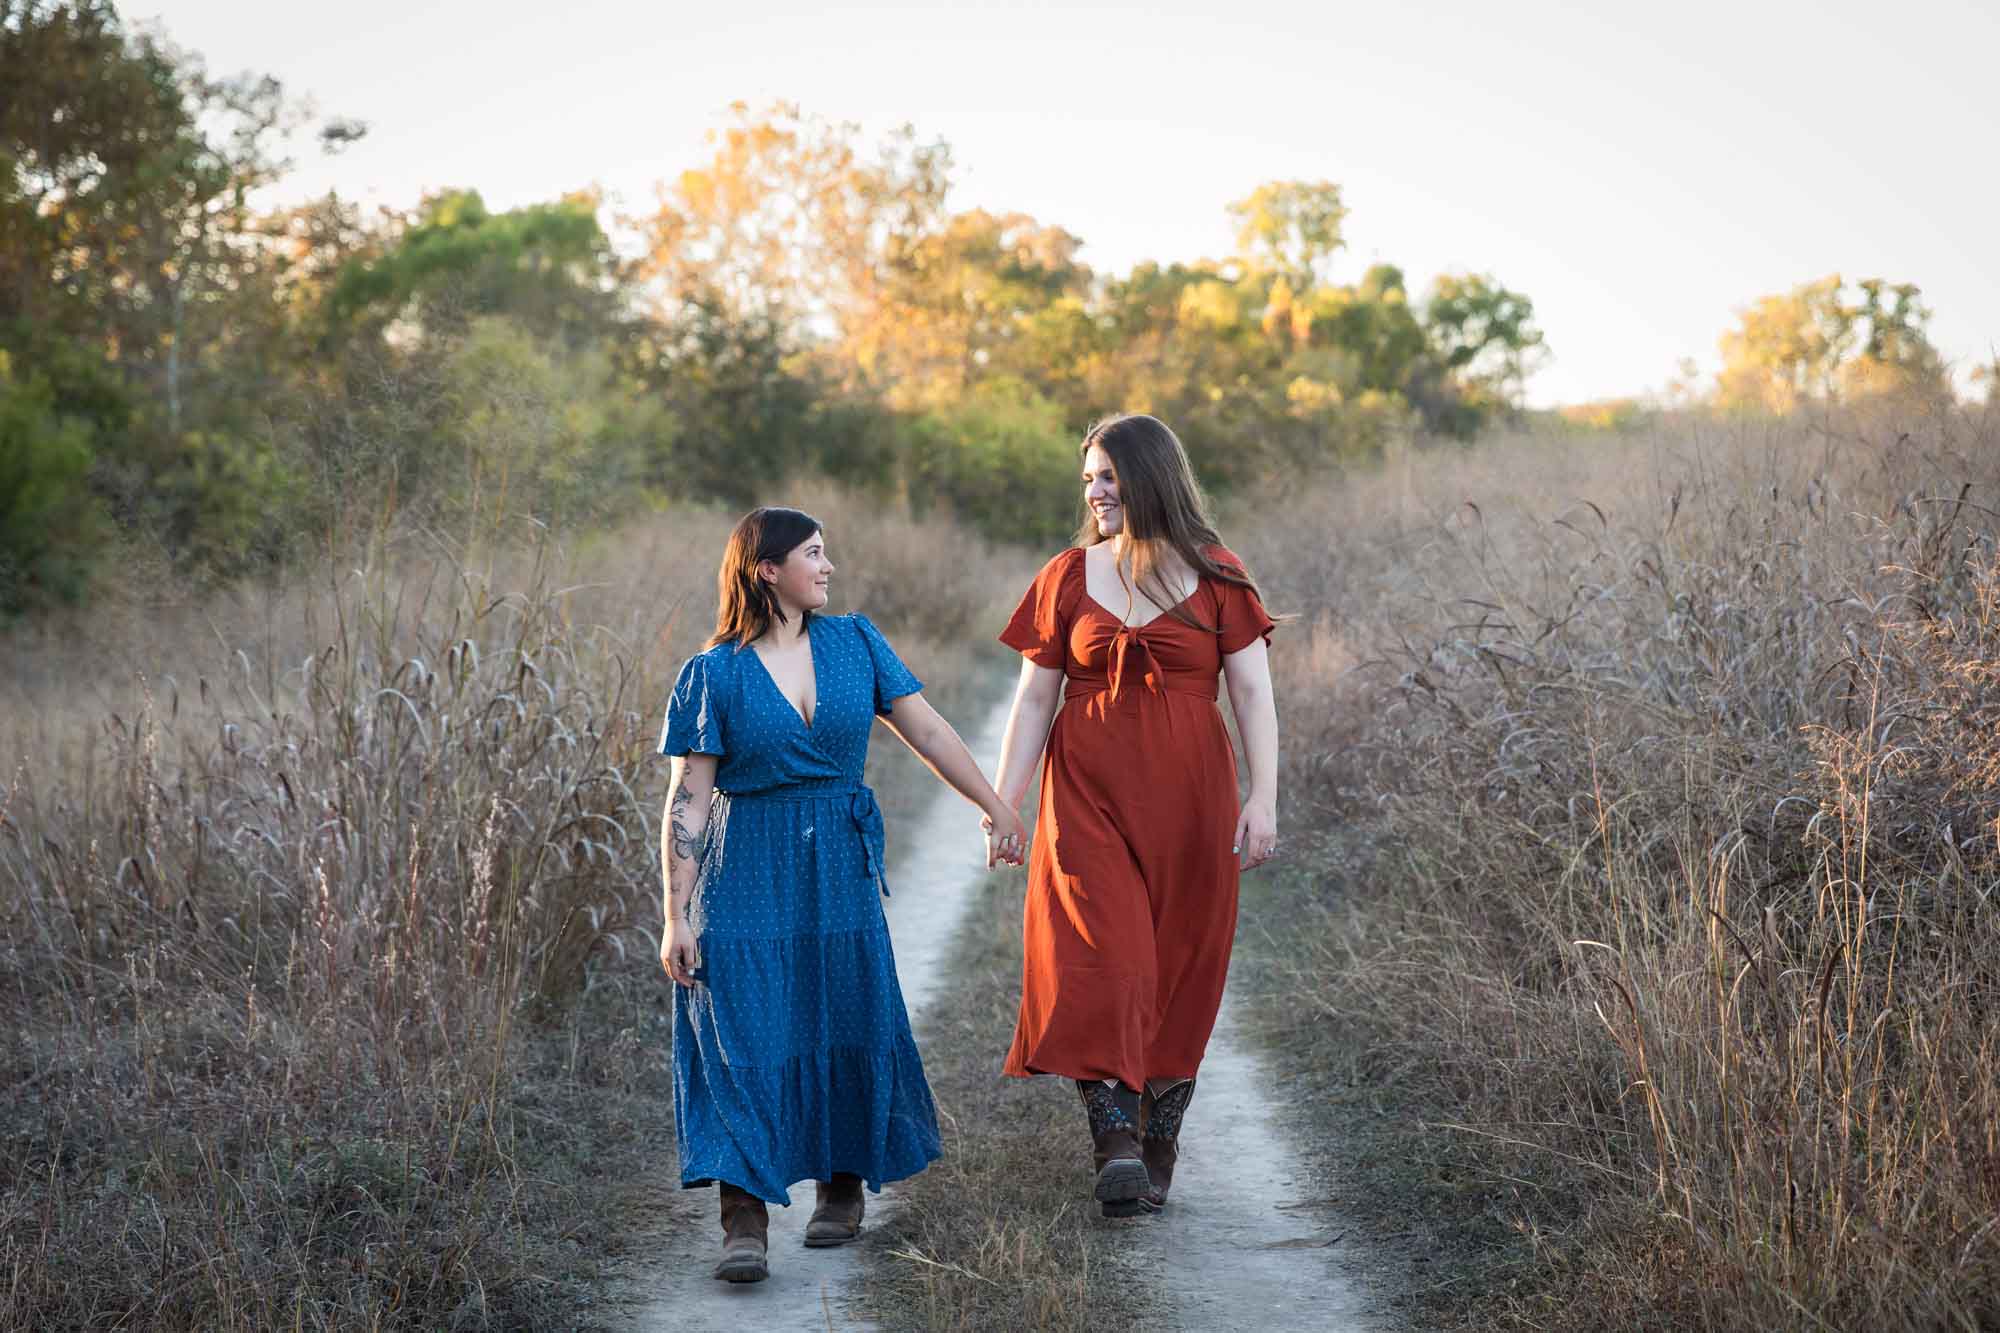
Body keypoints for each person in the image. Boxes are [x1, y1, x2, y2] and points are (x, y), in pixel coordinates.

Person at [658, 506, 1027, 1283]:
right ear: (767, 570)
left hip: (839, 864)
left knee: (845, 1007)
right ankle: (744, 1218)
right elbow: (689, 800)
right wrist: (675, 912)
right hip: (745, 867)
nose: (828, 567)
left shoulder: (855, 642)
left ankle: (842, 1187)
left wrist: (994, 805)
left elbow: (926, 731)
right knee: (746, 1028)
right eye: (813, 554)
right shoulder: (713, 673)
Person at [988, 414, 1280, 1217]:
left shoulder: (1220, 574)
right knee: (1098, 955)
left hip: (1194, 799)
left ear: (1150, 477)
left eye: (1109, 476)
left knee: (1182, 963)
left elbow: (1253, 693)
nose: (1095, 491)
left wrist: (1264, 797)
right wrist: (1003, 802)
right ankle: (1113, 1137)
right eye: (1088, 478)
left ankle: (1160, 1140)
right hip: (1086, 792)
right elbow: (1034, 697)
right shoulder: (1067, 575)